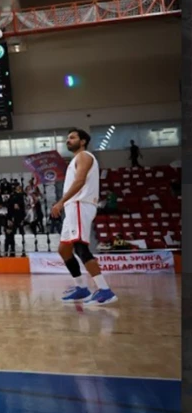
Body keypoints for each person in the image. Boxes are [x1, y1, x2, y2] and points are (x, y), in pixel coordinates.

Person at [54, 128, 116, 305]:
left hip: (80, 204)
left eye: (72, 137)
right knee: (64, 249)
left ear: (83, 141)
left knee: (81, 247)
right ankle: (81, 287)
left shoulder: (84, 156)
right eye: (67, 138)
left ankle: (105, 290)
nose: (68, 140)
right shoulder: (75, 159)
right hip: (72, 206)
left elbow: (80, 181)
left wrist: (60, 202)